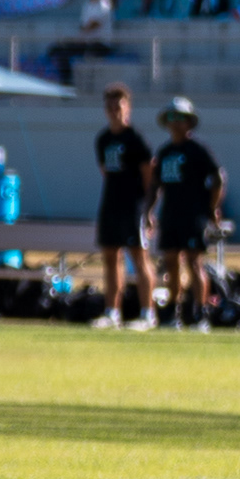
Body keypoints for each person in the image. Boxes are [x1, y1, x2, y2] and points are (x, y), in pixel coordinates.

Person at [148, 99, 225, 330]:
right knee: (171, 263)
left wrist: (212, 208)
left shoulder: (197, 150)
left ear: (189, 122)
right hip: (170, 214)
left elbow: (218, 178)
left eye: (180, 118)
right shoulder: (165, 152)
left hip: (193, 216)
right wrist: (149, 210)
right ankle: (173, 312)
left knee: (194, 262)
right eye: (172, 118)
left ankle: (200, 314)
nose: (176, 123)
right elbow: (155, 185)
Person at [92, 86, 156, 330]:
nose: (114, 111)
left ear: (127, 108)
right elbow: (105, 172)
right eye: (109, 107)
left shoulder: (135, 139)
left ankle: (147, 313)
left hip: (133, 207)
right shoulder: (103, 139)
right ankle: (112, 311)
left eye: (118, 106)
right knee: (110, 257)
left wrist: (148, 210)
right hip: (111, 204)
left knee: (139, 257)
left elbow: (149, 177)